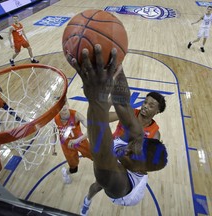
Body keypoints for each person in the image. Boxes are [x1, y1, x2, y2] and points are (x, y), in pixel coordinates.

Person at [71, 45, 168, 216]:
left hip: (122, 191)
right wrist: (115, 66)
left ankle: (86, 201)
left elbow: (101, 150)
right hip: (124, 149)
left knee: (100, 183)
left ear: (140, 169)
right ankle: (89, 198)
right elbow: (122, 103)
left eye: (131, 153)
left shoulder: (120, 183)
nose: (127, 149)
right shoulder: (137, 136)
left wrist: (96, 99)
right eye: (133, 146)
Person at [54, 99, 93, 184]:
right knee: (74, 169)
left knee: (95, 157)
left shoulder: (76, 115)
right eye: (60, 106)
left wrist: (77, 140)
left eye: (65, 105)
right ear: (56, 108)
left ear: (68, 104)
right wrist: (53, 147)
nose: (64, 108)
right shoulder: (55, 119)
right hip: (66, 145)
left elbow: (91, 129)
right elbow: (54, 132)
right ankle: (65, 173)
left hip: (80, 140)